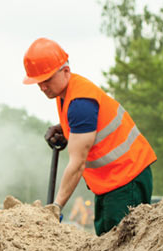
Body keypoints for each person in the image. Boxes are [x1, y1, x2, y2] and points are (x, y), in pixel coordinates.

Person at [22, 38, 156, 236]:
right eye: (38, 82)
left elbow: (77, 164)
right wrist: (65, 129)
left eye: (47, 79)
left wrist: (56, 207)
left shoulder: (80, 103)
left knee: (120, 250)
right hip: (111, 182)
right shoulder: (65, 95)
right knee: (106, 248)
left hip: (126, 178)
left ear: (65, 71)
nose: (42, 87)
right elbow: (89, 126)